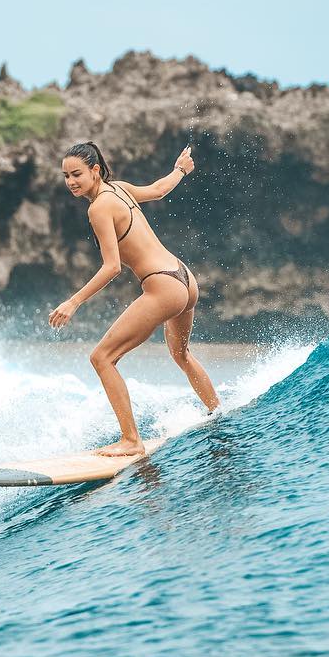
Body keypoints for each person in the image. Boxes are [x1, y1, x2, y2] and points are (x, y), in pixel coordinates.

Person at [50, 142, 220, 457]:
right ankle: (217, 414)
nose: (71, 182)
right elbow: (158, 190)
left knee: (102, 359)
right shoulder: (120, 189)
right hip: (183, 276)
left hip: (163, 286)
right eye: (65, 176)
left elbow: (112, 266)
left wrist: (73, 302)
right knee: (181, 354)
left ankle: (131, 440)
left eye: (77, 174)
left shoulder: (98, 207)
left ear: (95, 170)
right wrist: (180, 169)